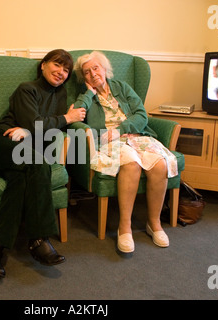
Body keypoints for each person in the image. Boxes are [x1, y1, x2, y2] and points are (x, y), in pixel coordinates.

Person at [0, 49, 86, 278]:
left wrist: (32, 128)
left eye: (66, 70)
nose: (61, 72)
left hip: (25, 154)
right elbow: (37, 124)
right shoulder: (27, 89)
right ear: (43, 65)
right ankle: (39, 239)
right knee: (38, 163)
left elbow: (44, 132)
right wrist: (64, 119)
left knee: (20, 180)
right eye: (57, 65)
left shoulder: (61, 96)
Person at [73, 51, 178, 253]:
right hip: (109, 142)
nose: (93, 74)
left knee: (160, 164)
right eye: (87, 72)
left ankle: (154, 223)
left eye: (96, 68)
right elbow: (77, 114)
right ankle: (125, 227)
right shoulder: (86, 96)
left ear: (104, 69)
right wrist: (89, 93)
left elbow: (141, 115)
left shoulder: (122, 87)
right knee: (131, 164)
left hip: (136, 136)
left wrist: (120, 130)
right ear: (84, 78)